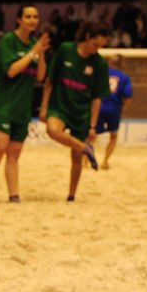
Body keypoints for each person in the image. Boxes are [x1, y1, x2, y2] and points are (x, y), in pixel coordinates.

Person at [0, 4, 50, 204]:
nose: (32, 20)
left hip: (22, 108)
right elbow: (12, 71)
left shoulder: (35, 44)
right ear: (19, 20)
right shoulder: (8, 41)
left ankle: (14, 195)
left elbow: (41, 76)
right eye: (28, 16)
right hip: (2, 105)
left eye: (35, 16)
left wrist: (40, 53)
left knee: (14, 154)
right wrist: (33, 52)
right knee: (0, 147)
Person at [39, 22, 111, 201]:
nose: (97, 50)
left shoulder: (100, 64)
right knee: (53, 130)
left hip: (82, 114)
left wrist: (93, 126)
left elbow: (97, 98)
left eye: (101, 46)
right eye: (95, 45)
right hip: (60, 106)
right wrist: (44, 107)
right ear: (87, 37)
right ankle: (85, 148)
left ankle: (71, 195)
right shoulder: (65, 50)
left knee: (76, 158)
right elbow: (50, 80)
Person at [96, 54, 133, 169]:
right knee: (113, 136)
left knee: (90, 135)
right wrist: (123, 110)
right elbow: (129, 97)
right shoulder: (125, 77)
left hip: (99, 107)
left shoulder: (101, 74)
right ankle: (105, 161)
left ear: (110, 63)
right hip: (114, 109)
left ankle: (85, 161)